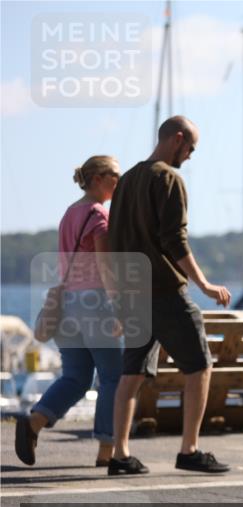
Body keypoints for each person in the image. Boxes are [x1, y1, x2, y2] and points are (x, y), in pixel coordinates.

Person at [107, 115, 231, 475]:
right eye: (191, 147)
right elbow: (173, 240)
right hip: (163, 290)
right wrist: (204, 284)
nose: (191, 156)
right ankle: (189, 450)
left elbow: (116, 241)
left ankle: (120, 454)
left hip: (132, 292)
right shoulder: (168, 178)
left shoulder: (127, 179)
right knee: (200, 365)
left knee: (132, 374)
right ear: (178, 139)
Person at [14, 156, 124, 469]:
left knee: (76, 377)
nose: (121, 180)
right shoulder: (98, 214)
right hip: (95, 303)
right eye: (116, 175)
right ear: (99, 178)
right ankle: (107, 451)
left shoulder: (70, 213)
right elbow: (105, 266)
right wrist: (118, 307)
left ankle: (34, 421)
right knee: (113, 378)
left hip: (68, 305)